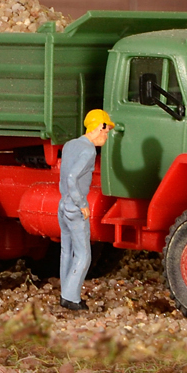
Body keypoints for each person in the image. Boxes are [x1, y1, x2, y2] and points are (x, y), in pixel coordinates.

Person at [57, 109, 113, 312]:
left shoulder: (70, 145)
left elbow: (64, 176)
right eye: (106, 132)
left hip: (63, 204)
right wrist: (81, 203)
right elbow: (72, 178)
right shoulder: (89, 150)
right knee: (83, 255)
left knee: (66, 250)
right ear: (99, 128)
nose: (106, 136)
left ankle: (64, 293)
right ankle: (71, 298)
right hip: (74, 206)